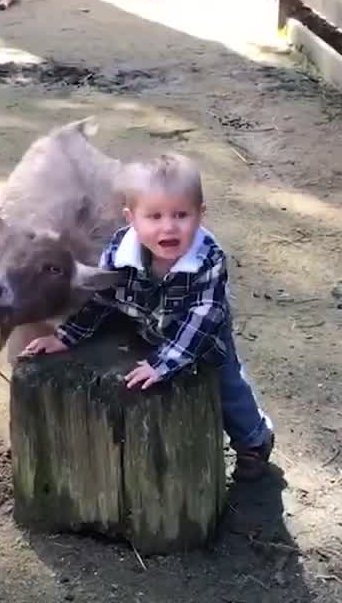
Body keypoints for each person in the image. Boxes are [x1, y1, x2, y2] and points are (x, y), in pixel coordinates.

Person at [21, 153, 277, 480]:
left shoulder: (208, 258)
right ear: (131, 218)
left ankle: (254, 439)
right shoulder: (119, 249)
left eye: (181, 215)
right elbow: (103, 296)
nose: (168, 226)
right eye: (154, 216)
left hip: (198, 327)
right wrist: (65, 336)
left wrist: (164, 362)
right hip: (143, 315)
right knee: (108, 368)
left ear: (201, 215)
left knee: (226, 379)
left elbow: (204, 315)